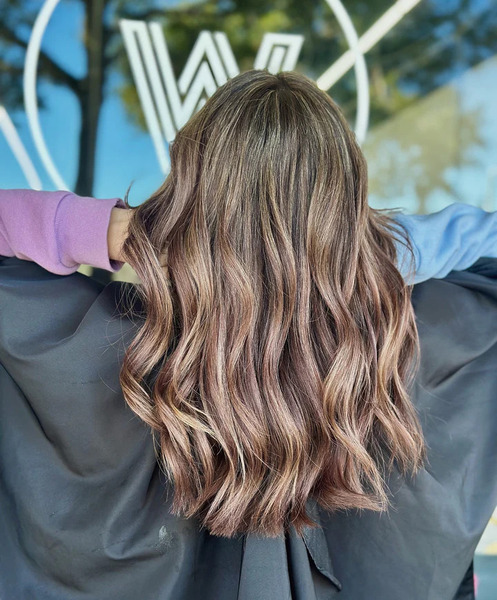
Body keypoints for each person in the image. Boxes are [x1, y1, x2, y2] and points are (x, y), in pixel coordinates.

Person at [1, 69, 496, 599]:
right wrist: (367, 251)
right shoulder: (409, 342)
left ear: (190, 186)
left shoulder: (98, 346)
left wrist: (117, 232)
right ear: (346, 198)